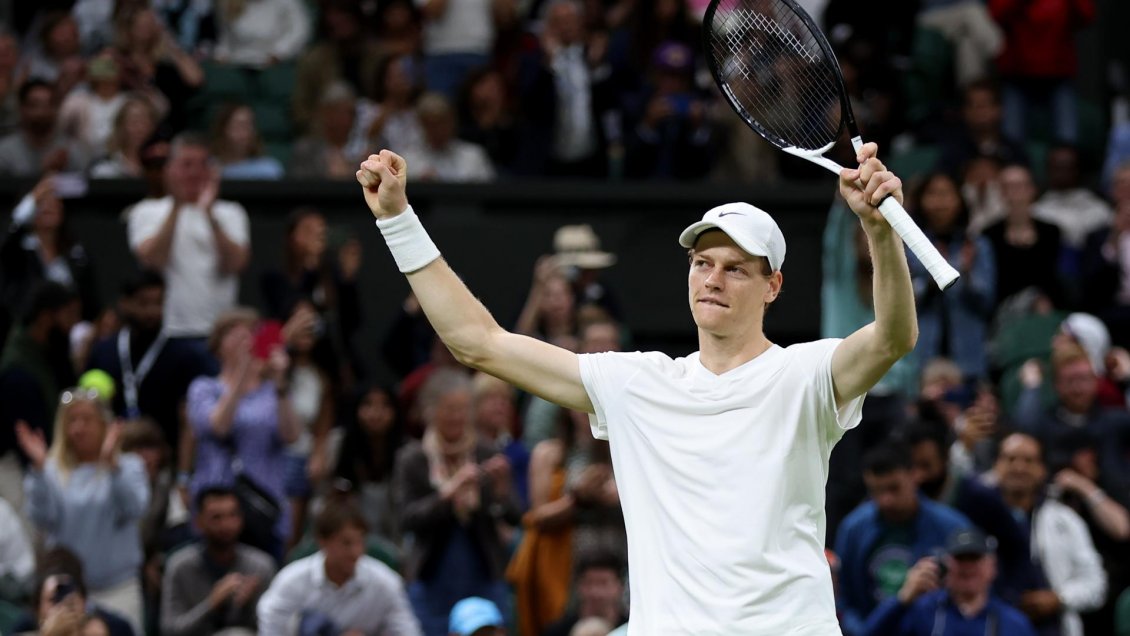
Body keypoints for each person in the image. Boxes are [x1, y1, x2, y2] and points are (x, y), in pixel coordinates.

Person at [357, 136, 918, 634]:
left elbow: (893, 337)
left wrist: (879, 231)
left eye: (735, 268)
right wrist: (397, 220)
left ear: (773, 286)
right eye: (702, 263)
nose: (713, 279)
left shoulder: (806, 374)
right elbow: (477, 342)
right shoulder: (637, 383)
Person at [393, 369, 522, 636]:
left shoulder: (485, 451)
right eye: (449, 409)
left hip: (482, 568)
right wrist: (449, 494)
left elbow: (514, 516)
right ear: (430, 411)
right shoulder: (413, 458)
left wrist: (501, 490)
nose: (457, 417)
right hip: (433, 574)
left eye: (463, 409)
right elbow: (407, 519)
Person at [17, 389, 150, 633]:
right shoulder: (51, 470)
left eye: (86, 419)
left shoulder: (129, 466)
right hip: (68, 592)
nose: (79, 428)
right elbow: (42, 518)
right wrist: (39, 471)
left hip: (118, 587)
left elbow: (135, 508)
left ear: (104, 424)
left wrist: (112, 466)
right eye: (72, 420)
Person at [185, 308, 299, 559]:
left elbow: (291, 436)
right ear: (218, 346)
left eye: (249, 334)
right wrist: (241, 375)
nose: (243, 341)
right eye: (234, 336)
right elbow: (218, 426)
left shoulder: (272, 391)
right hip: (216, 505)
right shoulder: (204, 388)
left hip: (263, 505)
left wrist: (280, 381)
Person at [835, 443, 973, 635]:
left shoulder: (953, 528)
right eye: (876, 491)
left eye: (894, 488)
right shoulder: (853, 529)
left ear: (914, 475)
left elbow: (974, 595)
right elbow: (844, 601)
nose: (886, 500)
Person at [128, 133, 251, 347]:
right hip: (168, 333)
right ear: (169, 170)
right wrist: (177, 206)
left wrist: (210, 214)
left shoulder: (232, 212)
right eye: (186, 165)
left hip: (219, 336)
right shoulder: (146, 211)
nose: (195, 172)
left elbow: (235, 264)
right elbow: (153, 262)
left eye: (203, 164)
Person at [86, 270, 214, 461]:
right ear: (125, 304)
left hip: (167, 459)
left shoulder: (185, 355)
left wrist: (183, 472)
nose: (152, 312)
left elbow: (189, 419)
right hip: (112, 458)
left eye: (158, 303)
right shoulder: (103, 351)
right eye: (143, 303)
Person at [990, 432, 1107, 636]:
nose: (1019, 468)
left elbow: (1095, 583)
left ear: (1042, 469)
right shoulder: (976, 516)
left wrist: (1059, 598)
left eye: (1028, 460)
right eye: (1010, 459)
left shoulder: (1066, 520)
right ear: (996, 465)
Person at [256, 502, 421, 635]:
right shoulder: (291, 581)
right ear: (323, 542)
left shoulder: (386, 582)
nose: (355, 552)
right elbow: (270, 627)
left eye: (360, 542)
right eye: (346, 543)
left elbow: (409, 631)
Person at [861, 528, 1037, 636]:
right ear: (946, 564)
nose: (967, 567)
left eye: (974, 558)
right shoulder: (924, 610)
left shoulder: (1013, 623)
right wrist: (901, 599)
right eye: (960, 558)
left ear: (992, 567)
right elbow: (870, 633)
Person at [160, 486, 276, 636]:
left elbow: (272, 628)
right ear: (198, 522)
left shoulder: (260, 566)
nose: (226, 525)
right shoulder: (180, 566)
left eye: (233, 515)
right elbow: (169, 630)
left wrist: (249, 604)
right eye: (216, 517)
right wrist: (211, 604)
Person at [0, 79, 91, 176]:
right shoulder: (4, 152)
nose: (42, 111)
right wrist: (44, 172)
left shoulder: (71, 150)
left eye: (49, 104)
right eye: (35, 105)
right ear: (22, 109)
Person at [541, 551, 628, 636]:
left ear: (620, 586)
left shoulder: (632, 629)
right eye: (589, 582)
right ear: (578, 585)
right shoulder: (557, 631)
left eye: (603, 583)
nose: (595, 592)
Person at [209, 103, 285, 180]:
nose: (244, 133)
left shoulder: (269, 169)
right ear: (222, 130)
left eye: (248, 126)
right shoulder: (209, 168)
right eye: (238, 126)